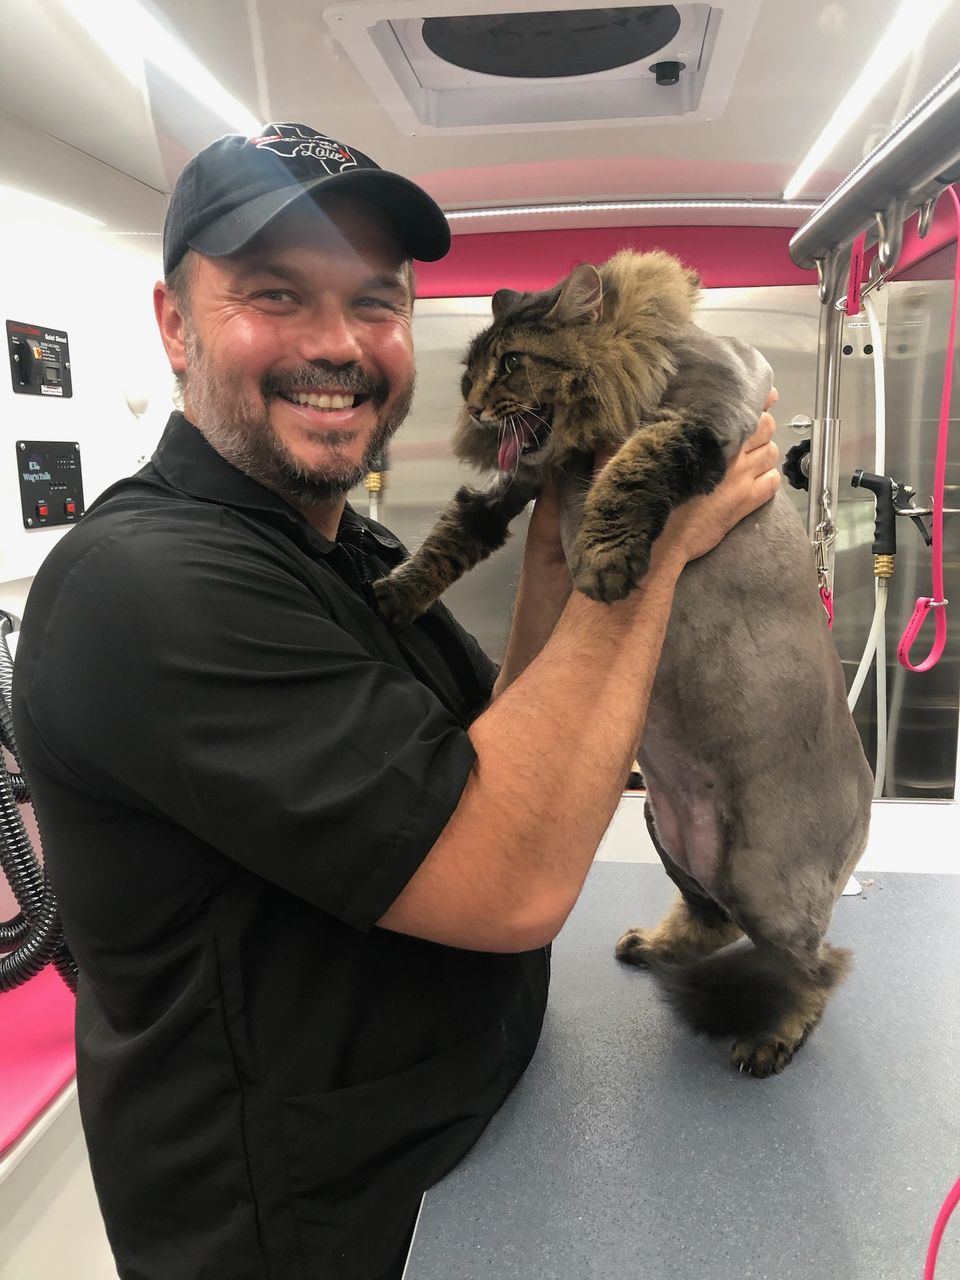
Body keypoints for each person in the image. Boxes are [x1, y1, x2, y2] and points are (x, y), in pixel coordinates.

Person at [12, 123, 780, 1280]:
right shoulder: (146, 587)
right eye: (276, 293)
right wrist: (655, 537)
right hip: (315, 1228)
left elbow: (496, 749)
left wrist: (564, 525)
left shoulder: (340, 546)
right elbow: (511, 874)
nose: (339, 344)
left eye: (375, 301)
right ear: (175, 324)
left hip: (465, 1152)